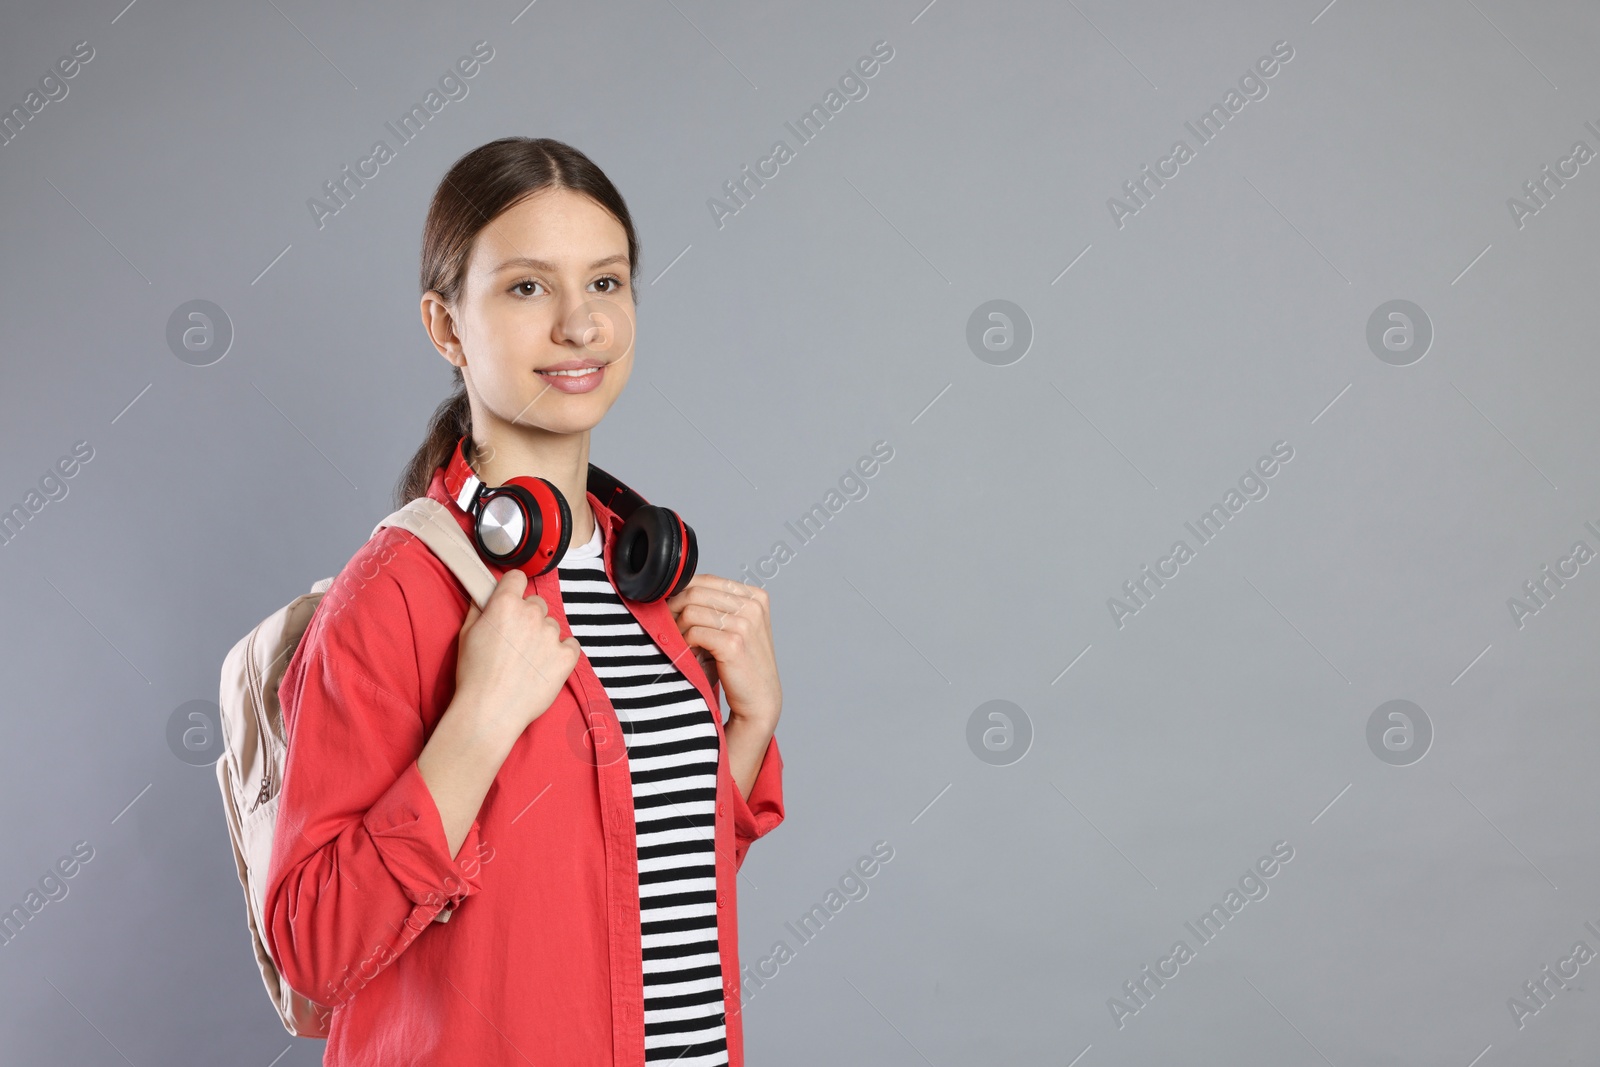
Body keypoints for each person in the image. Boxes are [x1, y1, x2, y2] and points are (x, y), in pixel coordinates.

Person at [261, 136, 786, 1066]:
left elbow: (635, 889)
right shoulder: (397, 593)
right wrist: (479, 722)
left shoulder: (645, 575)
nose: (581, 326)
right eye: (528, 287)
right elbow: (312, 947)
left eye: (608, 283)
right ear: (446, 325)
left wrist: (747, 723)